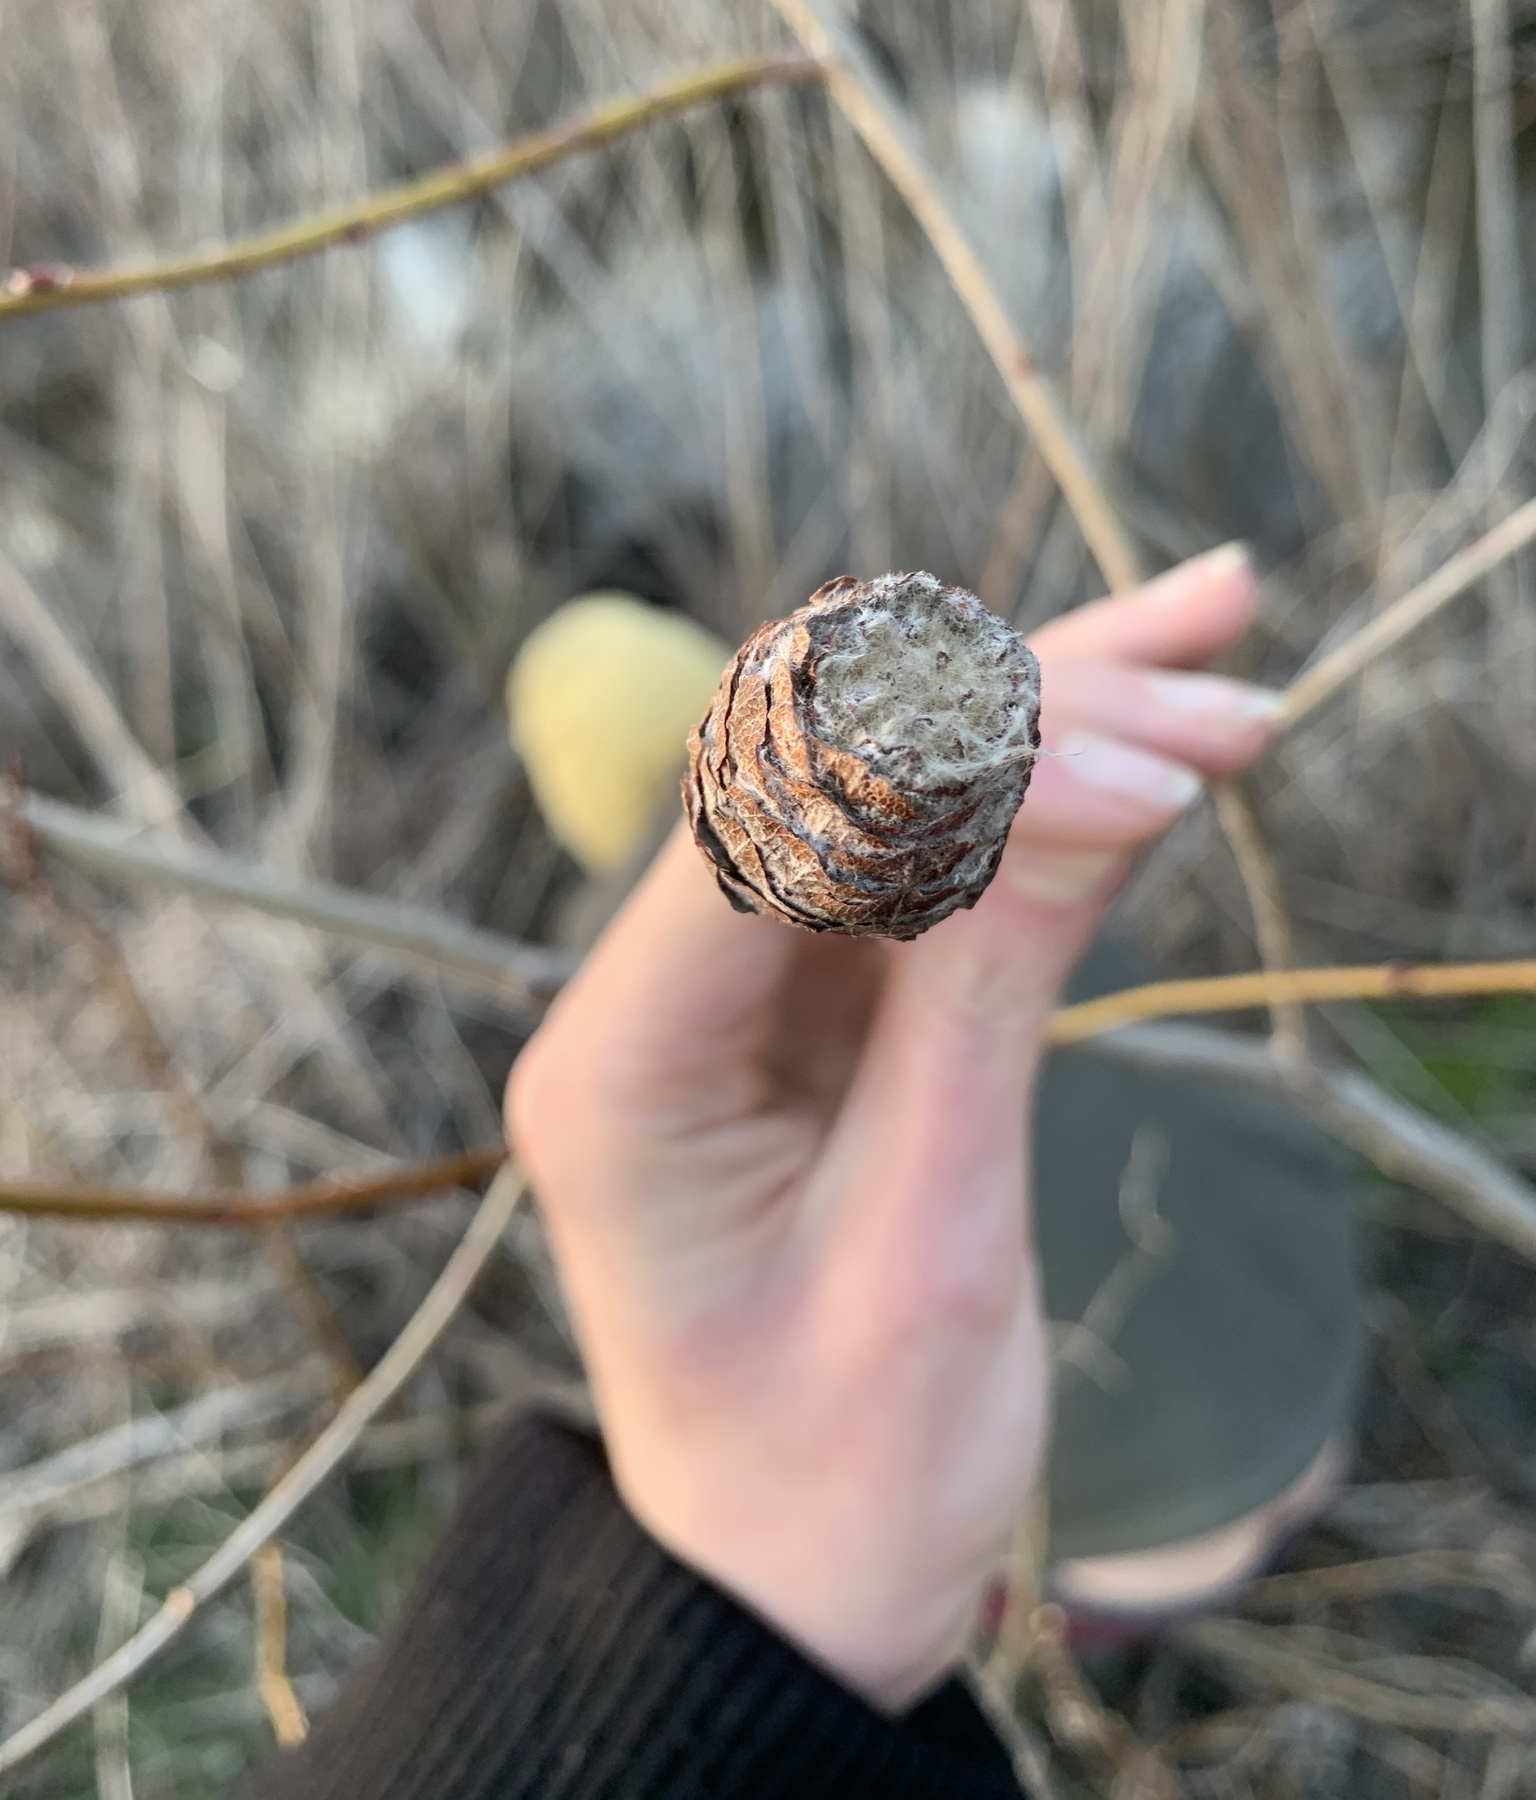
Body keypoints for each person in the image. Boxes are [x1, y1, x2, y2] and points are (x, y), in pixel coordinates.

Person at [241, 543, 1360, 1799]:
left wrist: (750, 1641)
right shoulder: (1016, 853)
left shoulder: (654, 992)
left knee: (1084, 1570)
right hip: (1318, 1348)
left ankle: (1105, 1647)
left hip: (1132, 1539)